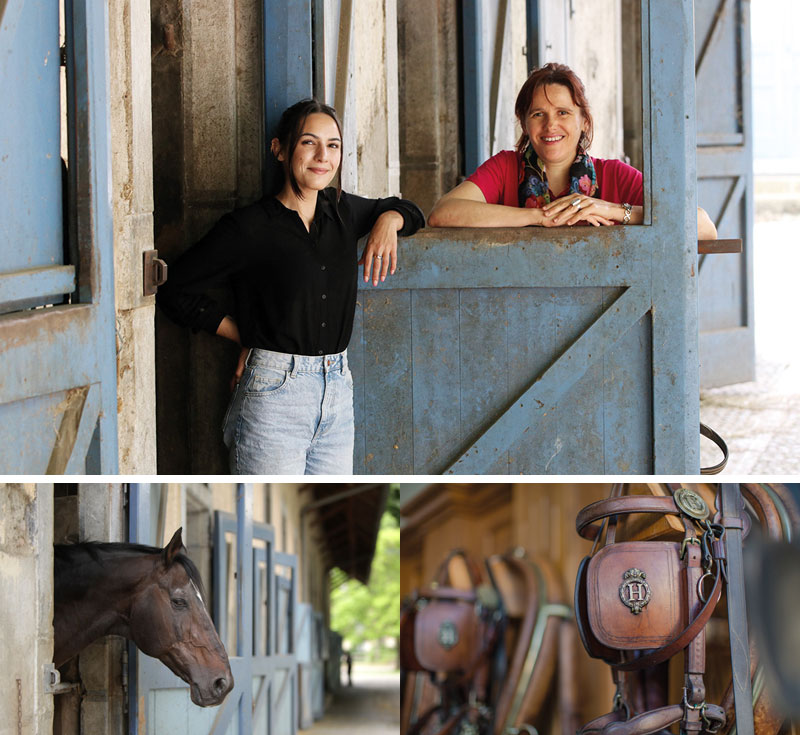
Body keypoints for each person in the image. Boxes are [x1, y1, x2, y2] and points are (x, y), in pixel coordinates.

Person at [157, 99, 425, 475]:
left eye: (333, 145)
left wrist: (388, 219)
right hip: (273, 395)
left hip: (337, 389)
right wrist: (246, 335)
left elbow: (413, 210)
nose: (322, 156)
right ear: (279, 149)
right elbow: (174, 290)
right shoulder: (248, 227)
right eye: (308, 143)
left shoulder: (343, 211)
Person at [428, 62, 717, 239]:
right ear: (525, 124)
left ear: (584, 121)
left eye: (563, 112)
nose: (550, 125)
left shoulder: (613, 174)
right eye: (538, 114)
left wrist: (614, 210)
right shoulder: (505, 167)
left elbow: (703, 226)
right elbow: (443, 214)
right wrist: (538, 217)